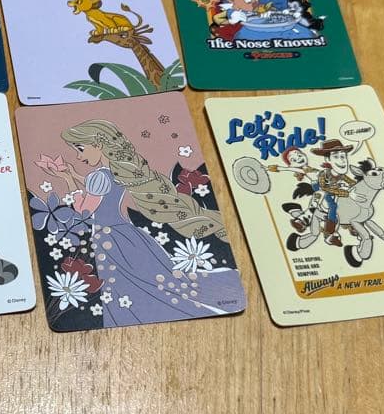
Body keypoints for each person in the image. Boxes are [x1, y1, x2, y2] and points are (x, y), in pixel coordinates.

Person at [40, 120, 244, 326]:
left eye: (81, 149)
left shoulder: (98, 176)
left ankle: (134, 314)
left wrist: (68, 181)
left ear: (98, 144)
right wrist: (70, 174)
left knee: (128, 285)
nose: (79, 156)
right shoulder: (115, 172)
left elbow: (84, 209)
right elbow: (96, 188)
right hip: (126, 233)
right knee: (156, 280)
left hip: (109, 239)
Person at [310, 139, 358, 247]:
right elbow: (324, 187)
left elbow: (351, 182)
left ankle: (350, 223)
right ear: (328, 159)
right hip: (324, 192)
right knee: (333, 206)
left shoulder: (341, 175)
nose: (341, 160)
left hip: (336, 191)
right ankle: (329, 231)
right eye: (336, 156)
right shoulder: (324, 173)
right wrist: (344, 193)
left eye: (343, 156)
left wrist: (358, 186)